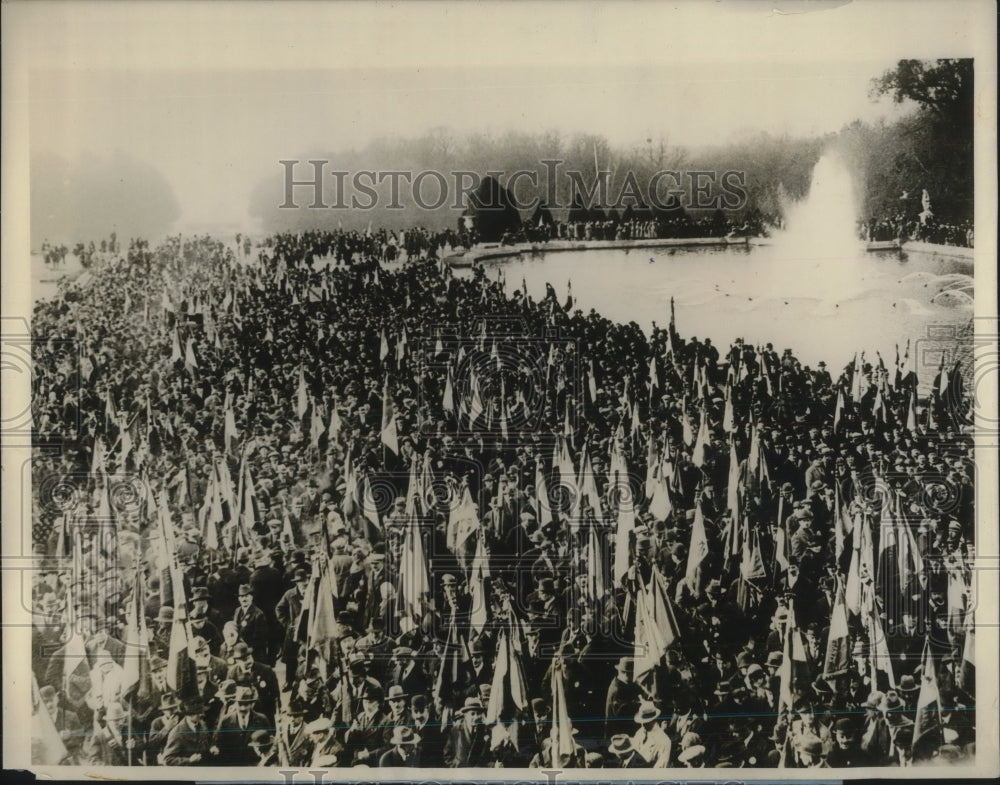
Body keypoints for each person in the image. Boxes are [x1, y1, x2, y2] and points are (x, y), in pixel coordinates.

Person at [444, 697, 490, 767]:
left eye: (478, 713)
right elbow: (447, 756)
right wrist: (456, 766)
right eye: (472, 714)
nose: (476, 717)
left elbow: (487, 757)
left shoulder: (484, 731)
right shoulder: (455, 731)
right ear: (465, 715)